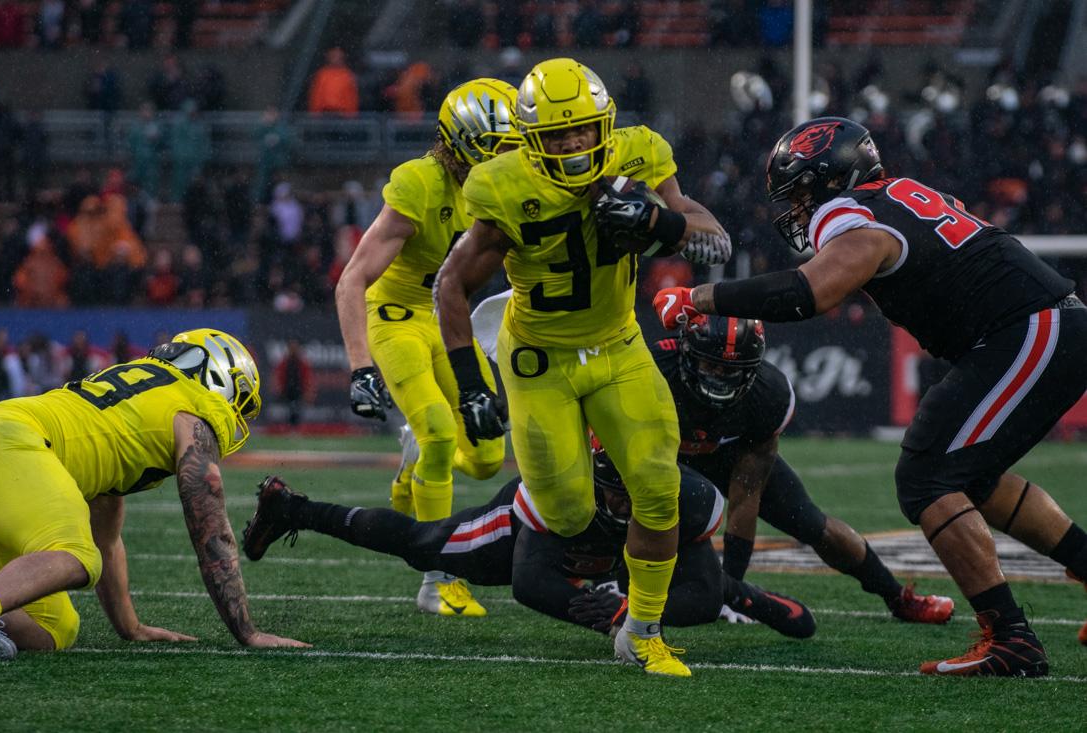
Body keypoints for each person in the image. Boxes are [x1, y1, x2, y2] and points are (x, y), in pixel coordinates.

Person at [653, 116, 1087, 677]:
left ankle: (1011, 638)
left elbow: (808, 292)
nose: (799, 210)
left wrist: (701, 296)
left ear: (834, 179)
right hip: (1037, 327)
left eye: (803, 193)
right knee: (968, 476)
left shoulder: (850, 211)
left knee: (928, 474)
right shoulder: (899, 196)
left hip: (1030, 329)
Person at [434, 57, 731, 677]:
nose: (573, 144)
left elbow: (713, 238)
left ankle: (641, 631)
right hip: (539, 359)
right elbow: (449, 287)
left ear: (605, 126)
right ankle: (501, 540)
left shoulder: (638, 155)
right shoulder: (502, 185)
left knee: (658, 488)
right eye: (557, 135)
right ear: (531, 141)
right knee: (568, 513)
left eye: (582, 131)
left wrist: (656, 221)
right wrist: (469, 385)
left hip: (619, 345)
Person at [240, 451, 815, 639]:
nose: (621, 505)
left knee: (678, 578)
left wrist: (631, 611)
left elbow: (697, 590)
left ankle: (752, 599)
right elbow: (529, 583)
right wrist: (592, 610)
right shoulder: (562, 491)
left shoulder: (681, 500)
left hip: (613, 553)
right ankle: (295, 509)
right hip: (532, 538)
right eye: (612, 493)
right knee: (423, 545)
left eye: (633, 494)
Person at [0, 329, 308, 661]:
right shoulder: (193, 409)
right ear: (221, 378)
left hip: (2, 431)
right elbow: (210, 529)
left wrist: (131, 627)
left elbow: (107, 538)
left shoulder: (138, 397)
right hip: (16, 443)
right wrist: (248, 632)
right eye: (237, 399)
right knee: (77, 556)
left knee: (54, 629)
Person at [335, 79, 520, 617]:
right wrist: (359, 367)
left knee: (486, 458)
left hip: (450, 323)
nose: (512, 155)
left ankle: (411, 464)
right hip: (398, 319)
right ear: (464, 145)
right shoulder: (420, 183)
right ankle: (437, 580)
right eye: (500, 144)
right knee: (441, 435)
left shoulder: (507, 184)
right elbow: (351, 280)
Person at [653, 315, 953, 624]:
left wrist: (729, 589)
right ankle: (614, 586)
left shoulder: (769, 395)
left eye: (731, 370)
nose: (719, 377)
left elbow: (746, 498)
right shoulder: (654, 367)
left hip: (729, 454)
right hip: (662, 454)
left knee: (812, 524)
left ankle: (896, 596)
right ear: (685, 353)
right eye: (711, 366)